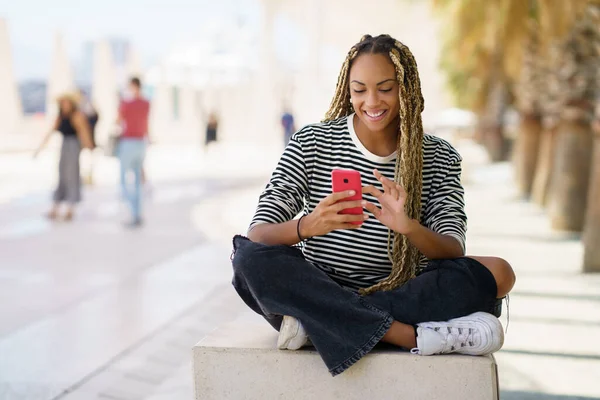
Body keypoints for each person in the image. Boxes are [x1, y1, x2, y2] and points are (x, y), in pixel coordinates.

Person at [231, 34, 516, 377]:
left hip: (402, 291)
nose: (371, 101)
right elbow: (258, 233)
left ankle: (317, 324)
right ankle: (406, 334)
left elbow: (452, 247)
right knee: (247, 259)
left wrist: (408, 226)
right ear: (347, 90)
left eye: (385, 88)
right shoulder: (311, 142)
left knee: (500, 273)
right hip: (322, 284)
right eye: (359, 89)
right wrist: (307, 226)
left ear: (405, 89)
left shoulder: (439, 156)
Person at [34, 93, 93, 221]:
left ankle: (70, 209)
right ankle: (55, 207)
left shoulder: (76, 116)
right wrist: (39, 149)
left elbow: (84, 132)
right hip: (64, 146)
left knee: (72, 176)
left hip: (73, 146)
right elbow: (50, 132)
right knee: (62, 176)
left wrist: (89, 148)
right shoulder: (61, 117)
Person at [117, 77, 150, 227]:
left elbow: (118, 121)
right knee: (137, 182)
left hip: (129, 141)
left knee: (124, 182)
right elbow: (146, 123)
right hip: (141, 142)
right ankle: (137, 214)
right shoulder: (146, 103)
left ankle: (134, 212)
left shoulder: (125, 104)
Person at [77, 89, 99, 185]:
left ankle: (89, 177)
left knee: (89, 160)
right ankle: (83, 177)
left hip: (88, 139)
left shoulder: (88, 108)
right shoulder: (78, 109)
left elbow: (95, 118)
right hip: (81, 139)